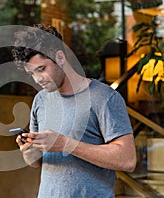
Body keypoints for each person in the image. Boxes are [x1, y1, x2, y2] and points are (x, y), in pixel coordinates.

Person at [11, 24, 136, 198]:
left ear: (60, 57)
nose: (37, 79)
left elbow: (128, 160)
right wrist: (30, 152)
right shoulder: (40, 100)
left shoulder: (105, 97)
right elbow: (36, 162)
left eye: (41, 69)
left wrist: (65, 144)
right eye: (31, 73)